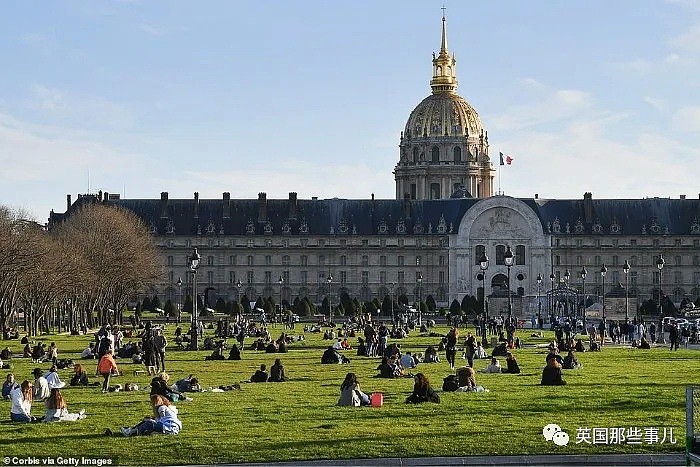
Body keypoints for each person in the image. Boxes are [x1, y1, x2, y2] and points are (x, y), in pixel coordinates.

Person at [108, 395, 182, 437]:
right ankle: (132, 430)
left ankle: (130, 432)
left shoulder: (161, 408)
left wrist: (151, 420)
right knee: (148, 422)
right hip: (174, 428)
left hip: (169, 427)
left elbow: (161, 420)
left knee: (148, 423)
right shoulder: (168, 408)